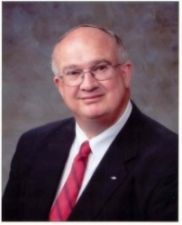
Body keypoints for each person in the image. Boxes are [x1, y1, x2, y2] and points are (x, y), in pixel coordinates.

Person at [2, 24, 178, 221]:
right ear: (60, 85)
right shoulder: (33, 144)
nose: (88, 84)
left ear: (125, 74)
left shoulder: (170, 158)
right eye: (73, 73)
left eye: (100, 68)